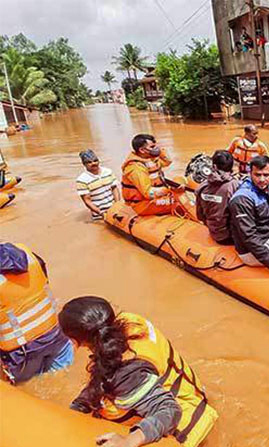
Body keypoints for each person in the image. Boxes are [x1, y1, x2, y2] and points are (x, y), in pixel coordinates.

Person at [59, 296, 218, 447]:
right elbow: (104, 375)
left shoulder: (126, 374)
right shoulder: (126, 324)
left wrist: (128, 442)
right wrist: (80, 405)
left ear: (75, 342)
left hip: (181, 427)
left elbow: (170, 410)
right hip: (189, 397)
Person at [0, 243, 73, 384]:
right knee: (63, 380)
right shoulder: (25, 252)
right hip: (57, 334)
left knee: (25, 394)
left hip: (23, 352)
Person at [122, 134, 183, 216]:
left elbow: (167, 162)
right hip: (143, 204)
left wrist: (160, 151)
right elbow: (148, 193)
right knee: (179, 203)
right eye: (152, 147)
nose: (156, 148)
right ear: (142, 150)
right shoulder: (135, 168)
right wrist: (169, 190)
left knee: (179, 180)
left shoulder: (150, 159)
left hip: (156, 197)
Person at [195, 150, 240, 245]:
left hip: (215, 233)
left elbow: (200, 216)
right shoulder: (235, 186)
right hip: (229, 236)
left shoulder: (201, 187)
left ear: (214, 166)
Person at [76, 149, 121, 220]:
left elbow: (114, 189)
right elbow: (87, 200)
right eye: (89, 162)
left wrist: (118, 205)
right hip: (99, 214)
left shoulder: (108, 172)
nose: (93, 163)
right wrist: (101, 213)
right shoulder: (81, 180)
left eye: (95, 160)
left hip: (114, 209)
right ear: (84, 164)